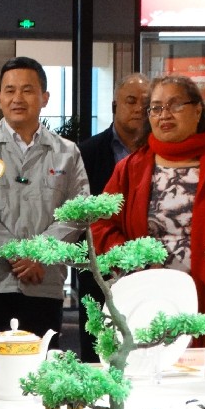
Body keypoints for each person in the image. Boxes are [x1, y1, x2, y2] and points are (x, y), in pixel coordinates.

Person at [92, 74, 205, 343]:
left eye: (175, 105)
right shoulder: (130, 168)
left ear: (197, 111)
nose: (164, 114)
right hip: (149, 293)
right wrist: (131, 256)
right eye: (156, 108)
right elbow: (101, 225)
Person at [0, 57, 89, 362]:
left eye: (28, 90)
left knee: (40, 375)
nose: (18, 98)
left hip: (43, 285)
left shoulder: (66, 153)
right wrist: (17, 254)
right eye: (10, 90)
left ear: (45, 97)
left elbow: (78, 210)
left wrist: (39, 254)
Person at [75, 72, 149, 360]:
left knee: (148, 350)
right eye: (131, 101)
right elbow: (79, 215)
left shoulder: (161, 154)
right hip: (100, 274)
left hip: (151, 269)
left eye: (146, 104)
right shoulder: (87, 152)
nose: (139, 109)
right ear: (114, 106)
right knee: (99, 357)